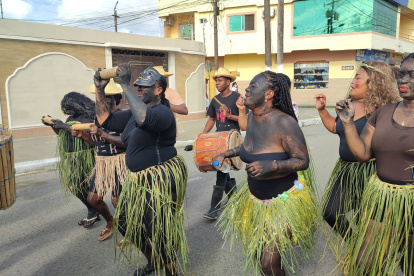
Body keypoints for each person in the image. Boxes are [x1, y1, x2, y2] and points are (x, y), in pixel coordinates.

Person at [214, 71, 317, 276]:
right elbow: (251, 147)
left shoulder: (285, 123)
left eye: (253, 86)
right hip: (256, 202)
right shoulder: (253, 117)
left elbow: (302, 161)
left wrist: (273, 165)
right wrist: (227, 152)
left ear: (269, 94)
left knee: (268, 263)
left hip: (284, 202)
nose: (246, 89)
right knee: (261, 255)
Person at [94, 64, 188, 276]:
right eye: (137, 85)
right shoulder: (133, 115)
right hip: (137, 178)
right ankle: (153, 259)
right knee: (126, 222)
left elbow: (145, 120)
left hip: (159, 177)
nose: (138, 89)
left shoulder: (163, 112)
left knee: (158, 228)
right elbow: (105, 119)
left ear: (158, 90)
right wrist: (99, 89)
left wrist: (125, 84)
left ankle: (171, 271)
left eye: (144, 86)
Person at [336, 53, 414, 275]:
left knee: (409, 265)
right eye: (402, 74)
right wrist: (348, 121)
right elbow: (362, 154)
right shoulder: (383, 113)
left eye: (412, 75)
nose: (404, 80)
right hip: (383, 199)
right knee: (364, 262)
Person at [315, 61, 400, 259]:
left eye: (358, 78)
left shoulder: (383, 111)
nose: (353, 82)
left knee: (366, 219)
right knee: (330, 212)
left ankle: (367, 256)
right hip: (346, 171)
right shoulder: (349, 104)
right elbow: (336, 128)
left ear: (374, 83)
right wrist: (321, 110)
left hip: (370, 173)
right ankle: (356, 245)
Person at [72, 79, 128, 242]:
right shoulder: (96, 119)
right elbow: (98, 144)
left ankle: (131, 230)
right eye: (101, 98)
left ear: (117, 99)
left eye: (108, 98)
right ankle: (111, 222)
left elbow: (126, 142)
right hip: (102, 163)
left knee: (118, 201)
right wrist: (84, 136)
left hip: (120, 161)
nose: (103, 101)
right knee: (93, 199)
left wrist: (104, 134)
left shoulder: (123, 116)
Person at [41, 92, 99, 228]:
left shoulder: (89, 117)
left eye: (70, 110)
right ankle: (94, 210)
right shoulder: (72, 117)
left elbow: (86, 136)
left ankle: (94, 211)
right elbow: (64, 133)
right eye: (66, 112)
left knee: (84, 186)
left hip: (83, 157)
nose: (69, 114)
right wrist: (54, 125)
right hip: (71, 157)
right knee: (74, 186)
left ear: (78, 106)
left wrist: (64, 126)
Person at [203, 67, 240, 220]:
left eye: (220, 80)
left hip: (232, 140)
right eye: (216, 81)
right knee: (223, 169)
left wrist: (229, 116)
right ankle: (235, 200)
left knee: (221, 169)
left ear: (228, 81)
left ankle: (214, 208)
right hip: (219, 140)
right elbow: (212, 119)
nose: (217, 83)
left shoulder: (238, 98)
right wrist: (203, 136)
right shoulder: (214, 100)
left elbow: (245, 120)